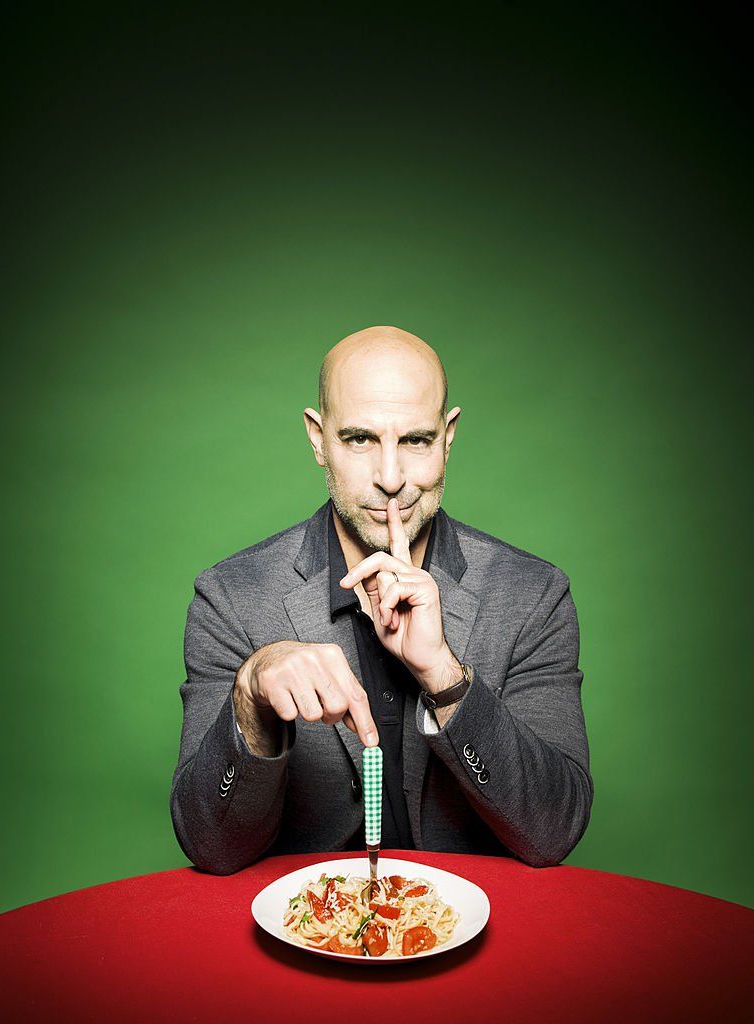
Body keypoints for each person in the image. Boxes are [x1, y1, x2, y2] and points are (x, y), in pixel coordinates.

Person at [170, 325, 593, 873]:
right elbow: (210, 847)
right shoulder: (231, 599)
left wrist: (444, 676)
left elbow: (554, 832)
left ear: (448, 437)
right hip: (308, 916)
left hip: (473, 919)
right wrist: (251, 696)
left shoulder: (533, 596)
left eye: (415, 440)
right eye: (360, 439)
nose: (391, 478)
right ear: (318, 439)